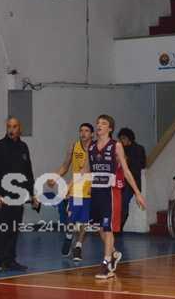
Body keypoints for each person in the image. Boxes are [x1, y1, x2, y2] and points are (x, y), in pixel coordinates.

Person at [84, 115, 146, 279]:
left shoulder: (116, 145)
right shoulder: (91, 147)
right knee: (100, 228)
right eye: (98, 123)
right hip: (96, 192)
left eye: (103, 123)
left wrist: (137, 192)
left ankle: (107, 264)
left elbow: (126, 171)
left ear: (110, 128)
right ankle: (113, 253)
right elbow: (85, 170)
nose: (99, 125)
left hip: (110, 192)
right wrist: (70, 187)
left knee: (108, 228)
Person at [0, 117, 39, 272]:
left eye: (14, 126)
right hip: (2, 196)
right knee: (3, 229)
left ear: (19, 128)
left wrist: (32, 194)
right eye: (9, 126)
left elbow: (28, 172)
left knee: (14, 229)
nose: (11, 129)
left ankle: (11, 260)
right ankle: (1, 261)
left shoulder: (23, 147)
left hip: (19, 196)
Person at [48, 123, 94, 262]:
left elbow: (88, 169)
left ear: (92, 134)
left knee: (84, 220)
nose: (83, 133)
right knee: (72, 218)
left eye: (86, 131)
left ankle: (78, 246)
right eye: (81, 130)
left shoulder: (95, 148)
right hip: (77, 188)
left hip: (91, 187)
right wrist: (55, 177)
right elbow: (65, 166)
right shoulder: (74, 147)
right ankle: (69, 236)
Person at [117, 128, 146, 232]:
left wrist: (127, 160)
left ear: (129, 138)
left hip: (131, 181)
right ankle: (116, 226)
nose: (122, 141)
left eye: (124, 138)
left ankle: (119, 227)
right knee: (118, 204)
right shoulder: (120, 149)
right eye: (120, 139)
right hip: (120, 180)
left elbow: (142, 164)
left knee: (123, 203)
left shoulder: (138, 149)